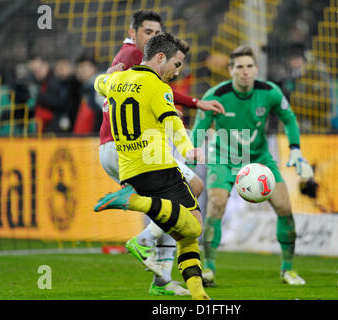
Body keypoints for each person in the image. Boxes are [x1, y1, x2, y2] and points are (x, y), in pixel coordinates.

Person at [98, 10, 224, 296]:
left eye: (157, 32)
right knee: (192, 204)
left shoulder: (123, 72)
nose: (153, 37)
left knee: (180, 215)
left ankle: (166, 281)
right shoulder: (134, 57)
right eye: (148, 32)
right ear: (133, 34)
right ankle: (142, 232)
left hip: (119, 151)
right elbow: (172, 118)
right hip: (142, 153)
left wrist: (104, 82)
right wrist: (188, 147)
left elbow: (101, 84)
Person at [190, 46, 314, 287]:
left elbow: (289, 119)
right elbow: (199, 129)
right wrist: (193, 151)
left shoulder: (269, 92)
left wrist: (296, 149)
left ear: (256, 69)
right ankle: (209, 268)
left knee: (285, 208)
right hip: (223, 157)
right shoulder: (215, 95)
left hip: (259, 157)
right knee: (216, 203)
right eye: (239, 67)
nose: (245, 72)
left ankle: (287, 270)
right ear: (230, 70)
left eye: (249, 66)